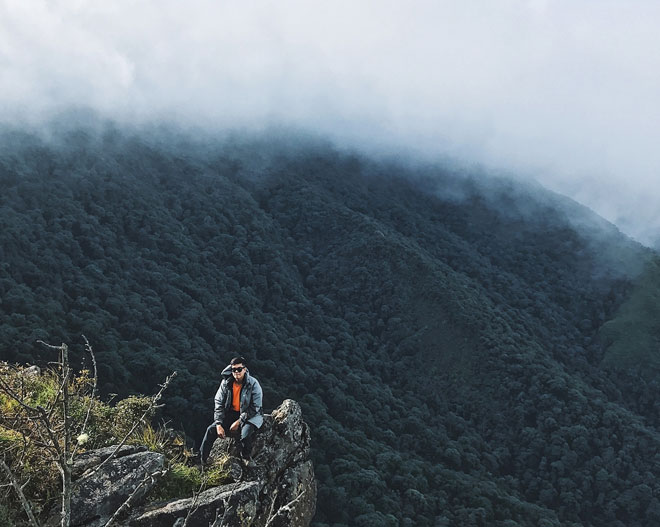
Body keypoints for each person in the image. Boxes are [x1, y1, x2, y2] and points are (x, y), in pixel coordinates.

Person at [200, 356, 263, 463]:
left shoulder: (253, 384)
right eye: (234, 369)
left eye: (239, 369)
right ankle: (201, 460)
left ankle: (246, 458)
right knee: (211, 430)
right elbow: (219, 403)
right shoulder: (226, 383)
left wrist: (239, 422)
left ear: (245, 369)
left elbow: (256, 407)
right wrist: (219, 424)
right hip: (231, 413)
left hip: (250, 415)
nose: (236, 372)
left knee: (245, 435)